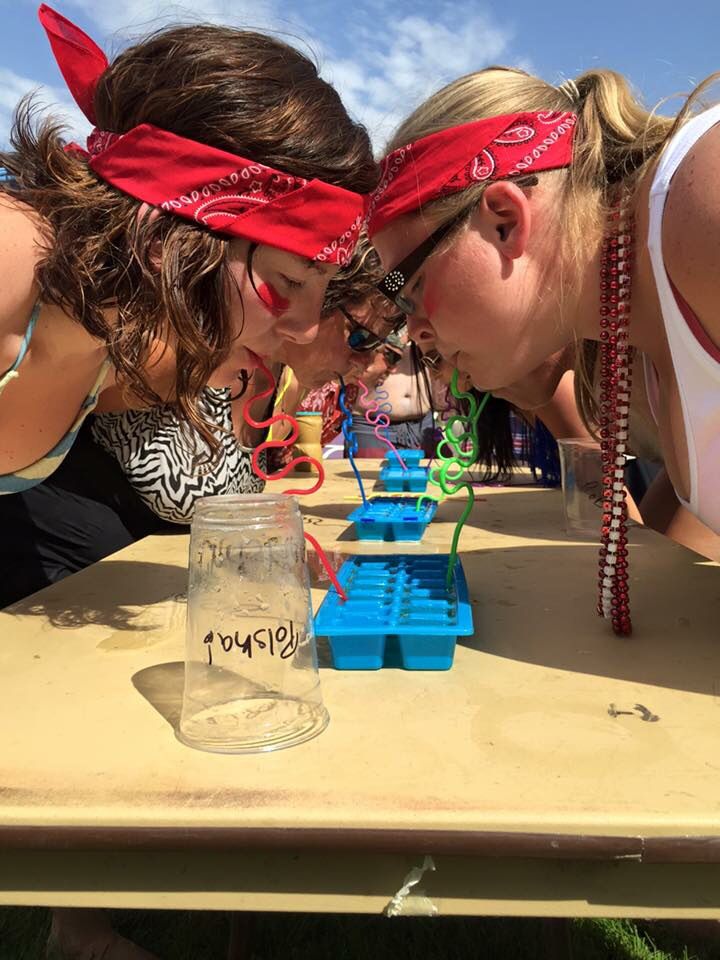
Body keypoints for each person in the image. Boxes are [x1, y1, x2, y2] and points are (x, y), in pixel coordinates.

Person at [367, 65, 720, 635]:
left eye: (408, 290)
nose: (415, 334)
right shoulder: (633, 329)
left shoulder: (702, 201)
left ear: (505, 221)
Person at [0, 4, 376, 495]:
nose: (305, 330)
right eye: (290, 281)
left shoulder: (115, 345)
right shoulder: (13, 255)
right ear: (164, 233)